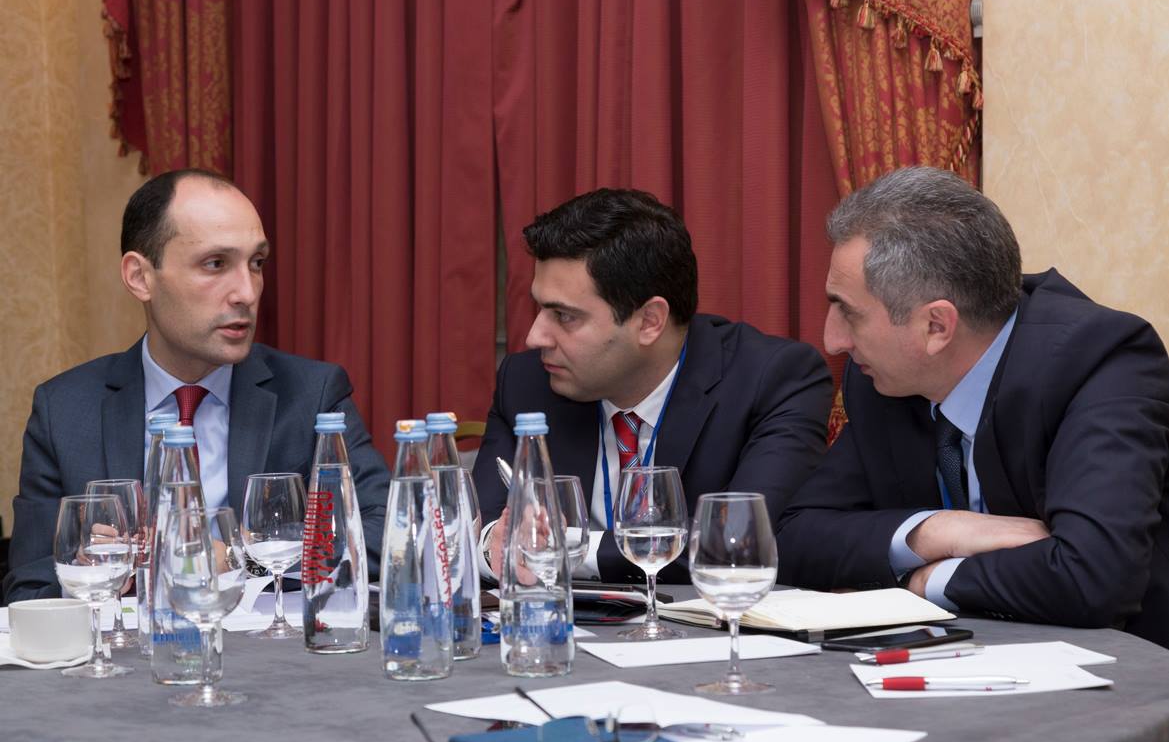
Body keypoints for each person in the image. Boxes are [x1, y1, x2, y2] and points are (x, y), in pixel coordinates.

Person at [776, 166, 1169, 647]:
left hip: (1127, 670)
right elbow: (794, 538)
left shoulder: (1100, 362)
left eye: (849, 313)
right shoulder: (882, 380)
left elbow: (1094, 577)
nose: (832, 340)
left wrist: (923, 583)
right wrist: (935, 533)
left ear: (936, 327)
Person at [2, 169, 390, 603]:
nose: (247, 292)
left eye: (256, 263)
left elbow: (384, 532)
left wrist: (240, 556)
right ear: (140, 277)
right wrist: (84, 576)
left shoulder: (311, 394)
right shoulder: (65, 410)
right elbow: (29, 587)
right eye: (215, 264)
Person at [474, 188, 833, 583]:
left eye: (564, 316)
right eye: (540, 308)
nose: (535, 336)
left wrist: (566, 551)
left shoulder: (771, 381)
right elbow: (482, 525)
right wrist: (495, 546)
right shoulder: (527, 382)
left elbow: (735, 540)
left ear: (649, 322)